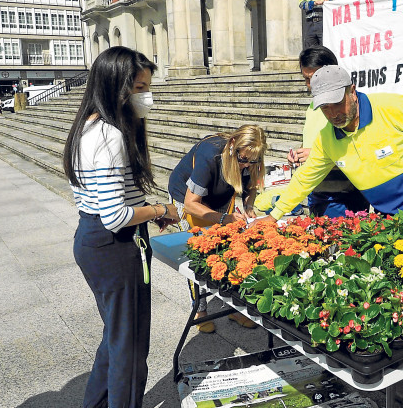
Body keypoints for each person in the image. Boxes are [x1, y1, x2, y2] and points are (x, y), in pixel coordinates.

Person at [62, 46, 179, 407]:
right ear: (118, 88)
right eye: (140, 88)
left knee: (116, 337)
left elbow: (112, 201)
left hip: (93, 239)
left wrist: (146, 210)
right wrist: (161, 208)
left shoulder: (89, 125)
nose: (147, 96)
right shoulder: (110, 135)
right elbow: (115, 216)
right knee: (128, 346)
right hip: (114, 246)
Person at [255, 65, 403, 223]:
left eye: (336, 103)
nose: (333, 114)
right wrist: (274, 216)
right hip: (390, 217)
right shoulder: (327, 138)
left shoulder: (391, 107)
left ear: (352, 92)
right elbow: (305, 179)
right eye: (325, 108)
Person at [168, 124, 267, 332]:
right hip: (186, 198)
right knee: (198, 251)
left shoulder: (251, 158)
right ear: (233, 145)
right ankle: (200, 310)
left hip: (220, 196)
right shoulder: (210, 155)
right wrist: (223, 219)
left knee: (231, 250)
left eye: (253, 161)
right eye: (243, 160)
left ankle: (234, 308)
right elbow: (191, 203)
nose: (246, 166)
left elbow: (251, 187)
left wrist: (248, 206)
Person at [288, 46, 369, 217]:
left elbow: (356, 147)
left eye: (314, 78)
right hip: (317, 189)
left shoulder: (348, 107)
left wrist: (317, 154)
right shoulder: (313, 107)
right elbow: (313, 140)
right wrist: (300, 153)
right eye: (306, 79)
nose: (310, 85)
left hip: (343, 193)